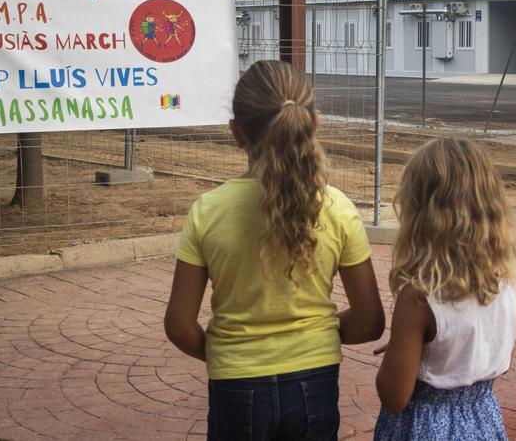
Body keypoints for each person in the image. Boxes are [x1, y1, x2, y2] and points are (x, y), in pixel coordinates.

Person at [164, 60, 385, 441]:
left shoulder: (208, 211)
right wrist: (318, 335)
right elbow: (369, 321)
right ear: (313, 124)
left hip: (235, 381)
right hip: (315, 379)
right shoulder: (338, 209)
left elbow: (180, 325)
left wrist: (229, 353)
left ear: (236, 133)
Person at [373, 138, 516, 440]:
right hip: (482, 417)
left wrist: (397, 349)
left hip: (424, 426)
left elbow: (394, 396)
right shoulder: (506, 281)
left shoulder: (419, 297)